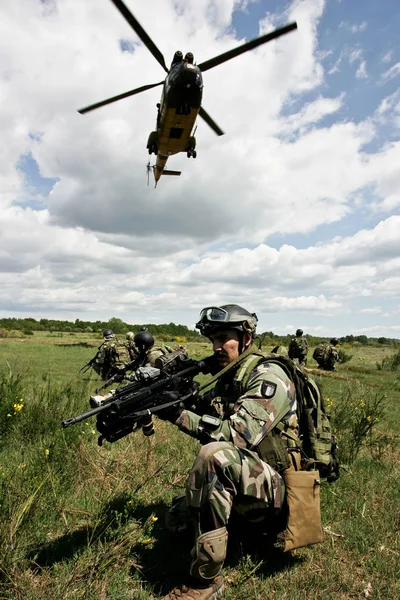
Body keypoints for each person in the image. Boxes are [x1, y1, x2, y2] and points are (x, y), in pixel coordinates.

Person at [157, 304, 305, 600]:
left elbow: (236, 435)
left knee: (215, 456)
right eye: (212, 340)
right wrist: (167, 397)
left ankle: (205, 583)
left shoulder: (269, 376)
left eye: (224, 337)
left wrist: (177, 414)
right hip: (251, 483)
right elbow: (206, 410)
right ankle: (234, 533)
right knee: (176, 518)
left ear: (247, 337)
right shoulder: (232, 375)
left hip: (279, 496)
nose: (216, 347)